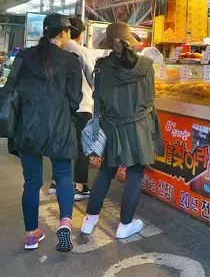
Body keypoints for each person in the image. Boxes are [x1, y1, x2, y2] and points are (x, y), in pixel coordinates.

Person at [80, 22, 163, 239]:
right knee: (134, 173)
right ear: (130, 41)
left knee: (106, 171)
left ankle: (89, 220)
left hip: (112, 127)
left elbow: (99, 99)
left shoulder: (101, 66)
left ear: (110, 43)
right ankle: (125, 224)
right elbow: (150, 98)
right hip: (139, 126)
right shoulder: (147, 65)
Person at [10, 13, 83, 251]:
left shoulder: (23, 56)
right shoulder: (71, 60)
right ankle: (65, 223)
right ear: (62, 33)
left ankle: (31, 235)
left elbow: (10, 90)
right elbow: (75, 100)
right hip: (59, 126)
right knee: (64, 176)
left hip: (27, 125)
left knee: (31, 182)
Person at [48, 17, 95, 199]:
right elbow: (93, 76)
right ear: (80, 34)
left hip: (60, 106)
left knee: (61, 141)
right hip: (81, 105)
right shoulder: (79, 51)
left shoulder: (54, 51)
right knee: (82, 146)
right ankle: (79, 186)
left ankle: (55, 182)